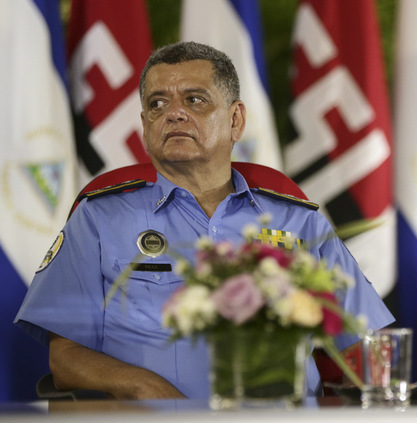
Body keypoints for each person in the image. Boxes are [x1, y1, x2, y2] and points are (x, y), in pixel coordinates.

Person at [15, 41, 394, 400]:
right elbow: (64, 359)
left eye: (194, 100)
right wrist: (141, 386)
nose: (174, 113)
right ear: (145, 126)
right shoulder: (99, 219)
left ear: (235, 120)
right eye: (157, 104)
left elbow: (367, 346)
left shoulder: (297, 220)